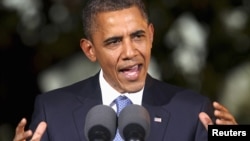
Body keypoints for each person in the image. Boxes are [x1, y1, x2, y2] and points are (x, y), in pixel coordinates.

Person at [13, 0, 237, 140]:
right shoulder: (52, 111)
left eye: (137, 36)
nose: (130, 52)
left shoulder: (193, 110)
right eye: (114, 42)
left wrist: (236, 135)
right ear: (90, 50)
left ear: (150, 35)